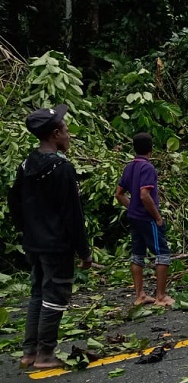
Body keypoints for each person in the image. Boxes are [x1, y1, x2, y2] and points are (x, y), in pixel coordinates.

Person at [8, 105, 92, 369]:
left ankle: (29, 352)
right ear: (55, 134)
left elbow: (14, 204)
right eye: (66, 130)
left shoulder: (26, 164)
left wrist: (29, 231)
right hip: (57, 245)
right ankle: (45, 355)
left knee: (37, 294)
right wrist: (84, 250)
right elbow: (72, 215)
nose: (69, 135)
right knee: (55, 296)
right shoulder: (61, 167)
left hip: (35, 243)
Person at [115, 133, 175, 307]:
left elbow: (119, 194)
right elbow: (144, 194)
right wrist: (157, 216)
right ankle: (161, 296)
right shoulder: (147, 168)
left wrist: (131, 207)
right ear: (151, 149)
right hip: (147, 218)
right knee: (162, 253)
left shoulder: (129, 167)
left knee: (138, 254)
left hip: (134, 217)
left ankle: (140, 294)